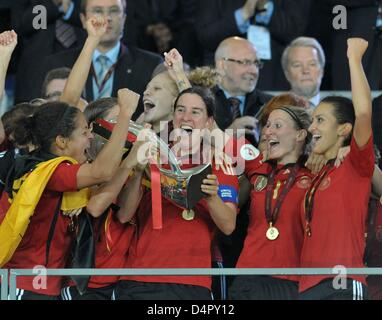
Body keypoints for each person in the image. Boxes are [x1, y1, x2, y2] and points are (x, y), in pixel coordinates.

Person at [0, 88, 139, 299]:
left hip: (44, 284)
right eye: (84, 132)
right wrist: (126, 115)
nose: (90, 136)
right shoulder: (50, 171)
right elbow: (102, 172)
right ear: (62, 142)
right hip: (25, 283)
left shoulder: (50, 168)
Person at [114, 86, 239, 300]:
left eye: (195, 112)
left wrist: (211, 197)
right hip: (138, 275)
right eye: (180, 110)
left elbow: (228, 226)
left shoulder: (218, 161)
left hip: (190, 280)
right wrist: (136, 172)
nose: (186, 118)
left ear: (209, 122)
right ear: (173, 117)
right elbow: (124, 215)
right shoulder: (152, 154)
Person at [299, 38, 374, 300]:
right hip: (307, 287)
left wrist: (354, 58)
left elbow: (363, 113)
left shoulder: (354, 164)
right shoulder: (316, 171)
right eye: (312, 121)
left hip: (342, 282)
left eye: (320, 120)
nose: (312, 128)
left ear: (343, 129)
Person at [228, 105, 312, 300]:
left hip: (291, 279)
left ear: (300, 134)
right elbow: (210, 130)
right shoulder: (257, 166)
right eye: (267, 125)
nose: (268, 131)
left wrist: (344, 149)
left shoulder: (315, 172)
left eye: (277, 125)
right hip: (246, 277)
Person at [39, 0, 162, 120]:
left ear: (124, 18)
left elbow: (161, 121)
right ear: (83, 19)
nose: (106, 18)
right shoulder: (57, 64)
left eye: (114, 11)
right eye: (98, 11)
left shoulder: (151, 65)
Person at [195, 0, 312, 90]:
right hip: (224, 82)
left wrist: (266, 8)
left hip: (274, 78)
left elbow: (297, 31)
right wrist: (243, 14)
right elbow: (206, 36)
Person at [213, 36, 272, 146]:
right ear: (222, 65)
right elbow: (190, 150)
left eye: (256, 63)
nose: (254, 71)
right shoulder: (201, 101)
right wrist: (227, 136)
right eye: (245, 62)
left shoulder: (270, 104)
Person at [281, 37, 325, 108]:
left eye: (312, 64)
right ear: (287, 74)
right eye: (297, 65)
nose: (305, 71)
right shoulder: (273, 110)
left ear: (322, 71)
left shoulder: (340, 111)